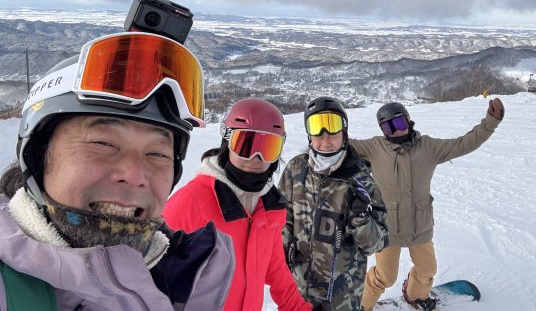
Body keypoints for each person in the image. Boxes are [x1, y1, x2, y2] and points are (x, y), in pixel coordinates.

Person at [0, 31, 235, 310]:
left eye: (157, 153)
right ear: (37, 156)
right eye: (103, 143)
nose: (134, 175)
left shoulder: (189, 280)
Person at [352, 98, 505, 311]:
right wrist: (322, 132)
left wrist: (490, 123)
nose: (396, 131)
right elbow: (340, 145)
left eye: (400, 123)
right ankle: (360, 305)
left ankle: (415, 294)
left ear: (409, 121)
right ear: (383, 130)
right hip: (388, 228)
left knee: (427, 269)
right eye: (389, 127)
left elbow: (463, 144)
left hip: (420, 225)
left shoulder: (429, 147)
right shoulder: (374, 147)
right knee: (385, 276)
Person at [163, 98, 312, 311]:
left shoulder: (269, 207)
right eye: (246, 145)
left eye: (268, 148)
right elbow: (153, 281)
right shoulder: (189, 204)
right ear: (226, 142)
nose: (256, 158)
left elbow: (275, 269)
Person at [279, 97, 389, 311]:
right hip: (297, 288)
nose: (325, 137)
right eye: (317, 128)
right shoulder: (296, 169)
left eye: (333, 127)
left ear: (344, 132)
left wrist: (361, 219)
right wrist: (284, 252)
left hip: (342, 295)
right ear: (308, 134)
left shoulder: (361, 179)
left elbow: (377, 244)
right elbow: (282, 217)